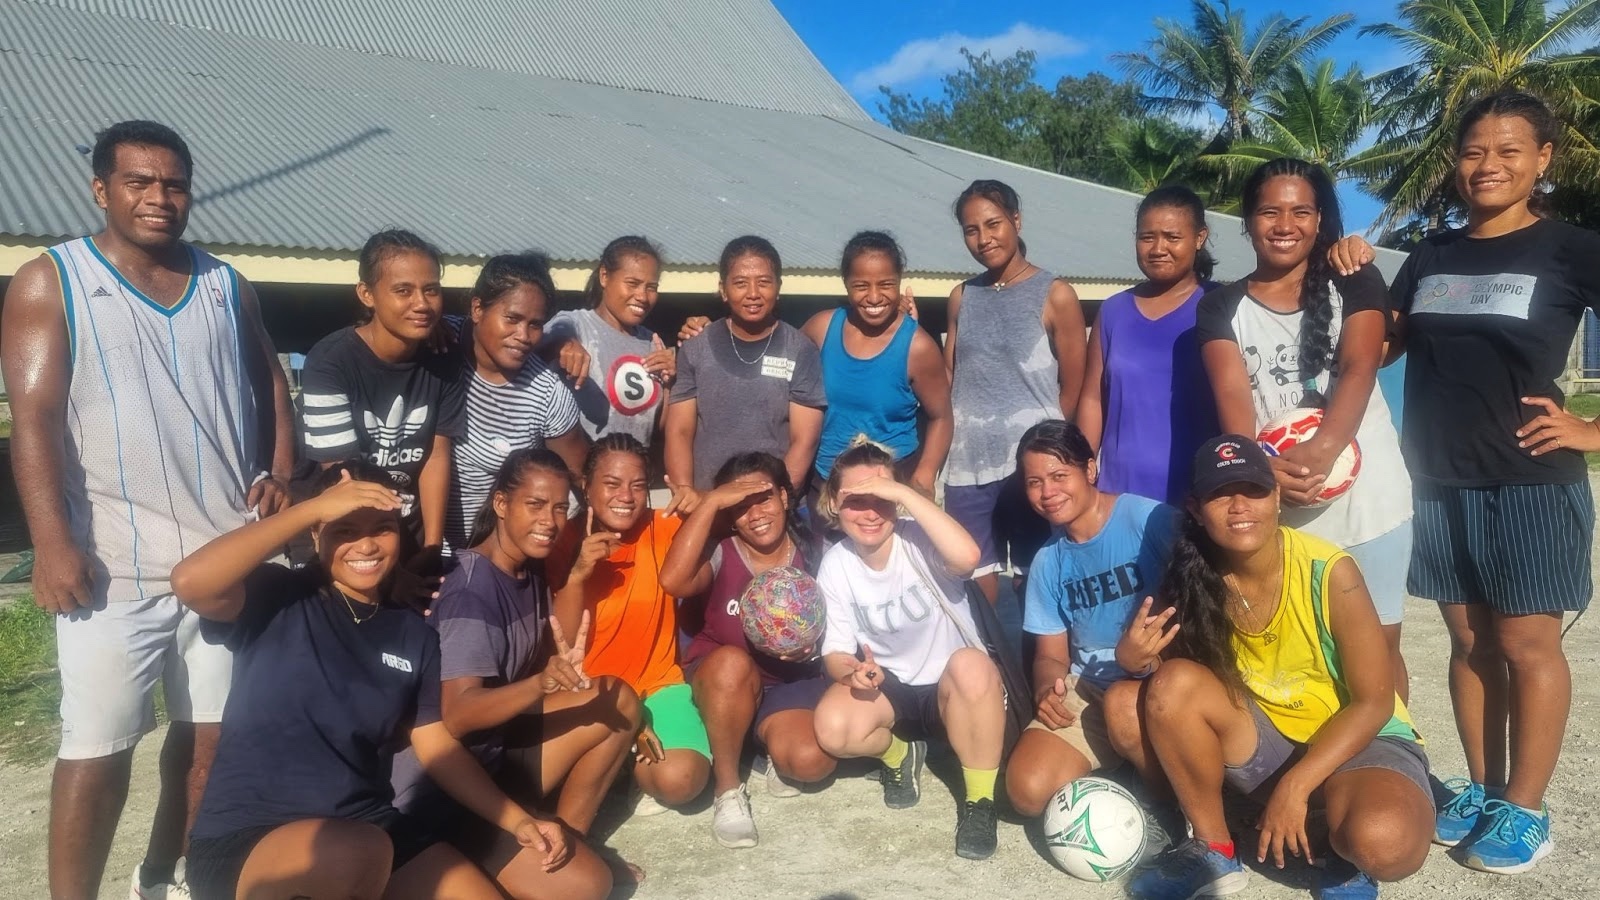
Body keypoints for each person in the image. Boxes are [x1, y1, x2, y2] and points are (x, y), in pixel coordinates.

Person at [0, 119, 294, 900]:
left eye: (173, 183)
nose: (159, 197)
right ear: (102, 190)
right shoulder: (50, 279)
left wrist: (281, 473)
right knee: (98, 749)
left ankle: (163, 878)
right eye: (138, 181)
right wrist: (51, 542)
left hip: (223, 556)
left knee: (209, 744)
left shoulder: (226, 283)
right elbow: (31, 421)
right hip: (110, 563)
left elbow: (270, 381)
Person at [1332, 90, 1600, 873]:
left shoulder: (1570, 247)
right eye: (1474, 151)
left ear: (1543, 159)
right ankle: (1485, 789)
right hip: (1439, 478)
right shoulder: (1433, 256)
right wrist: (1357, 278)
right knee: (1470, 642)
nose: (1488, 166)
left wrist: (1591, 430)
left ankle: (1526, 808)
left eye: (1509, 151)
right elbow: (1386, 348)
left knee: (1526, 645)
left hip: (1528, 480)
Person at [171, 461, 611, 900]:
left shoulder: (412, 634)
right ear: (315, 533)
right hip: (252, 835)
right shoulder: (280, 595)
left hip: (368, 825)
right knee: (350, 854)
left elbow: (437, 745)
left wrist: (518, 821)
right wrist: (312, 508)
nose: (366, 544)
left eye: (382, 528)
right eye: (344, 529)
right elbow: (191, 582)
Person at [1127, 436, 1432, 900]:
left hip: (1355, 738)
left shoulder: (1330, 571)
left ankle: (1338, 842)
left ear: (1277, 497)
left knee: (1384, 844)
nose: (1238, 506)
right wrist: (1134, 661)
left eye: (1253, 489)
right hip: (1267, 740)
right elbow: (1175, 689)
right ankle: (1215, 849)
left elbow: (1374, 702)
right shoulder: (1192, 576)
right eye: (1219, 493)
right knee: (1170, 686)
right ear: (1194, 507)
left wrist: (1297, 784)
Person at [1196, 158, 1414, 705]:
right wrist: (1263, 471)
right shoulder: (1221, 307)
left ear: (1321, 221)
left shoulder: (1356, 279)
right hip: (1284, 503)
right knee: (1310, 648)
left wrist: (1322, 450)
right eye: (1269, 211)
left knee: (1380, 648)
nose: (1284, 224)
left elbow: (1361, 368)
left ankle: (1394, 764)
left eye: (1301, 211)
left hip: (1371, 503)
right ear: (1247, 222)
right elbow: (1232, 399)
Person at [393, 447, 644, 885]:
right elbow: (458, 715)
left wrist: (579, 572)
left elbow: (555, 645)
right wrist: (540, 684)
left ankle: (566, 838)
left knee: (617, 700)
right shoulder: (471, 590)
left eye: (560, 508)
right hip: (450, 787)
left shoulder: (524, 571)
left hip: (498, 750)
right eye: (535, 504)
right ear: (501, 504)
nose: (550, 520)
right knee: (588, 887)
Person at [809, 439, 1005, 860]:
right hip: (892, 688)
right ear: (834, 505)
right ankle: (900, 755)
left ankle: (980, 801)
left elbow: (968, 557)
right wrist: (851, 673)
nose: (869, 512)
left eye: (880, 498)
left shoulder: (919, 539)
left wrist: (900, 493)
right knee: (833, 727)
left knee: (972, 666)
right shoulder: (836, 564)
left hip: (951, 686)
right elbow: (836, 652)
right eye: (855, 500)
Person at [1002, 420, 1180, 820]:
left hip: (1161, 676)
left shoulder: (1148, 520)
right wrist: (1047, 689)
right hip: (1090, 684)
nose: (1048, 492)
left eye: (1059, 475)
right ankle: (1123, 761)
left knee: (1124, 706)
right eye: (1034, 482)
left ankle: (1166, 808)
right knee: (1027, 792)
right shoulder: (1048, 560)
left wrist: (1148, 659)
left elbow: (1200, 602)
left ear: (1090, 469)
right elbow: (1050, 655)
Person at [658, 452, 836, 849]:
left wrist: (810, 650)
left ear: (785, 499)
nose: (754, 513)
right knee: (732, 664)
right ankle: (728, 789)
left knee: (811, 763)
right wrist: (709, 503)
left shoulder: (816, 549)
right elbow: (672, 581)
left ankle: (762, 748)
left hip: (788, 682)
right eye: (739, 505)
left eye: (765, 498)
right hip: (724, 678)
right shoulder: (722, 551)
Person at [550, 435, 712, 813]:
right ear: (586, 486)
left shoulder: (666, 527)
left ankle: (627, 767)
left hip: (657, 684)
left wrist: (703, 509)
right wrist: (577, 575)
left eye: (638, 485)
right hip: (591, 693)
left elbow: (711, 563)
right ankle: (621, 753)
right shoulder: (560, 539)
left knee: (682, 782)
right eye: (611, 484)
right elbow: (562, 640)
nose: (626, 496)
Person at [944, 179, 1088, 604]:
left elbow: (1074, 385)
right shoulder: (961, 296)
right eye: (972, 230)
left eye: (994, 224)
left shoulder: (1055, 293)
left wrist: (1043, 447)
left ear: (1016, 221)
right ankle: (990, 668)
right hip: (967, 464)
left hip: (1030, 469)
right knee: (972, 579)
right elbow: (951, 375)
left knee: (1036, 581)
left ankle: (1038, 670)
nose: (984, 238)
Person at [298, 229, 464, 553]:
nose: (422, 304)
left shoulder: (445, 356)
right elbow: (342, 477)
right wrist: (389, 565)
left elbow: (436, 454)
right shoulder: (330, 362)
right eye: (403, 290)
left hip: (407, 534)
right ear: (366, 294)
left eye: (431, 290)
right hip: (343, 534)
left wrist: (431, 548)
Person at [1078, 185, 1220, 504]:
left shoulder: (1218, 305)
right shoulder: (1113, 310)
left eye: (1172, 237)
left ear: (1199, 238)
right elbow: (1092, 398)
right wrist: (1083, 466)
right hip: (1118, 495)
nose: (1158, 248)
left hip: (1196, 497)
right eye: (1147, 237)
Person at [444, 253, 589, 552]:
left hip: (493, 563)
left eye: (536, 324)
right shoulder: (437, 342)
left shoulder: (547, 394)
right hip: (416, 553)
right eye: (512, 318)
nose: (523, 336)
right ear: (477, 308)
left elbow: (582, 475)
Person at [664, 235, 827, 499]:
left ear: (778, 286)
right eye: (740, 283)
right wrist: (686, 493)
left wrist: (778, 498)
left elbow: (804, 440)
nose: (753, 293)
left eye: (764, 282)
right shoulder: (695, 348)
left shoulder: (800, 350)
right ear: (723, 289)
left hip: (770, 505)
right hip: (708, 502)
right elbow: (679, 431)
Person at [800, 231, 952, 498]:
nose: (873, 297)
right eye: (861, 286)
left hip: (892, 483)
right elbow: (775, 356)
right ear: (846, 284)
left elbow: (941, 417)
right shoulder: (821, 328)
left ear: (899, 282)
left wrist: (925, 474)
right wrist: (710, 331)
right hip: (825, 483)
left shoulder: (918, 347)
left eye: (885, 284)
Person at [545, 236, 675, 446]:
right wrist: (563, 343)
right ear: (604, 276)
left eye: (651, 287)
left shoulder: (653, 343)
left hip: (634, 474)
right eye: (633, 283)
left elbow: (656, 429)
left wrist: (671, 384)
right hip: (580, 473)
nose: (642, 296)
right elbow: (535, 346)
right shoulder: (574, 324)